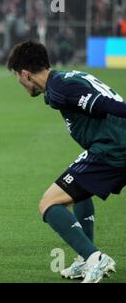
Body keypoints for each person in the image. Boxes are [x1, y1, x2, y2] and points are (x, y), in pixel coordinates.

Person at [7, 40, 126, 283]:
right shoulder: (64, 80)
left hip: (113, 149)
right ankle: (86, 259)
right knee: (80, 189)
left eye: (17, 77)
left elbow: (102, 104)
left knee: (49, 203)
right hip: (111, 145)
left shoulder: (60, 88)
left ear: (25, 73)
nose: (19, 82)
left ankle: (94, 258)